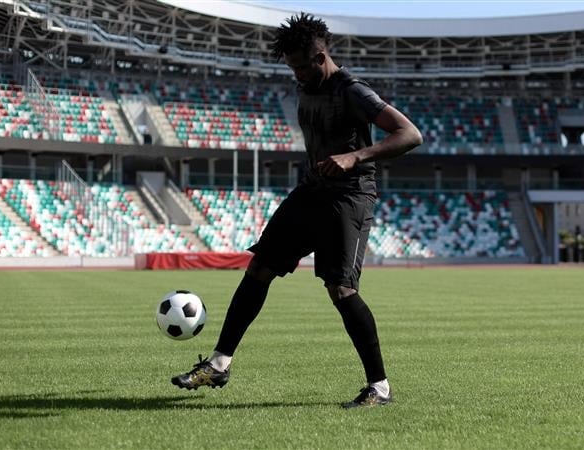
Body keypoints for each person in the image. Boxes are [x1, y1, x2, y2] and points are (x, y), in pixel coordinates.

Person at [171, 13, 423, 408]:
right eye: (291, 67)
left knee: (341, 289)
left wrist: (355, 156)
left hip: (350, 194)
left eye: (301, 67)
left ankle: (380, 387)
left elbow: (410, 134)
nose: (296, 75)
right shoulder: (307, 84)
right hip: (312, 191)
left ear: (320, 56)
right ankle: (219, 363)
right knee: (259, 267)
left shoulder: (353, 90)